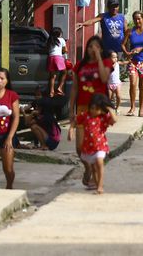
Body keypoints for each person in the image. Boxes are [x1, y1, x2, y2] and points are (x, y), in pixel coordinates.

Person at [70, 36, 110, 186]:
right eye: (90, 46)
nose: (92, 49)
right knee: (80, 147)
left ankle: (95, 176)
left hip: (98, 110)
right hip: (82, 108)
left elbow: (104, 78)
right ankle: (87, 168)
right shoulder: (80, 66)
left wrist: (98, 57)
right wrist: (71, 109)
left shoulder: (106, 62)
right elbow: (74, 88)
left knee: (95, 143)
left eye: (96, 46)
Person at [69, 93, 116, 194]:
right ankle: (96, 183)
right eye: (92, 108)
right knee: (94, 168)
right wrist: (71, 130)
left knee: (99, 163)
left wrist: (109, 109)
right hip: (88, 147)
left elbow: (114, 120)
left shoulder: (103, 119)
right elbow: (75, 121)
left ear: (101, 109)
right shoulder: (85, 116)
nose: (93, 111)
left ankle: (100, 186)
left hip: (101, 146)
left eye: (97, 109)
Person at [122, 10, 143, 117]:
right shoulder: (130, 31)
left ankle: (141, 109)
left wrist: (142, 48)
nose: (137, 21)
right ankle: (132, 107)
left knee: (142, 86)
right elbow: (123, 44)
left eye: (139, 18)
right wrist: (127, 53)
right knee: (132, 83)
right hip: (133, 61)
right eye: (135, 19)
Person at [77, 0, 126, 66]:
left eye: (116, 6)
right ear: (108, 7)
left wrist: (127, 47)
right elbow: (92, 21)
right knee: (106, 67)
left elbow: (126, 32)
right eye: (112, 6)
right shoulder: (103, 16)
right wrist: (82, 24)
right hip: (107, 48)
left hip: (119, 48)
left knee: (118, 69)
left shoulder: (122, 17)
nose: (114, 8)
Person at [46, 27, 67, 97]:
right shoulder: (61, 40)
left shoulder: (49, 40)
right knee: (64, 72)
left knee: (52, 76)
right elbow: (65, 50)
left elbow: (47, 49)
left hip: (51, 58)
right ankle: (60, 88)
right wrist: (63, 51)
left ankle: (51, 92)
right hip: (58, 58)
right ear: (59, 34)